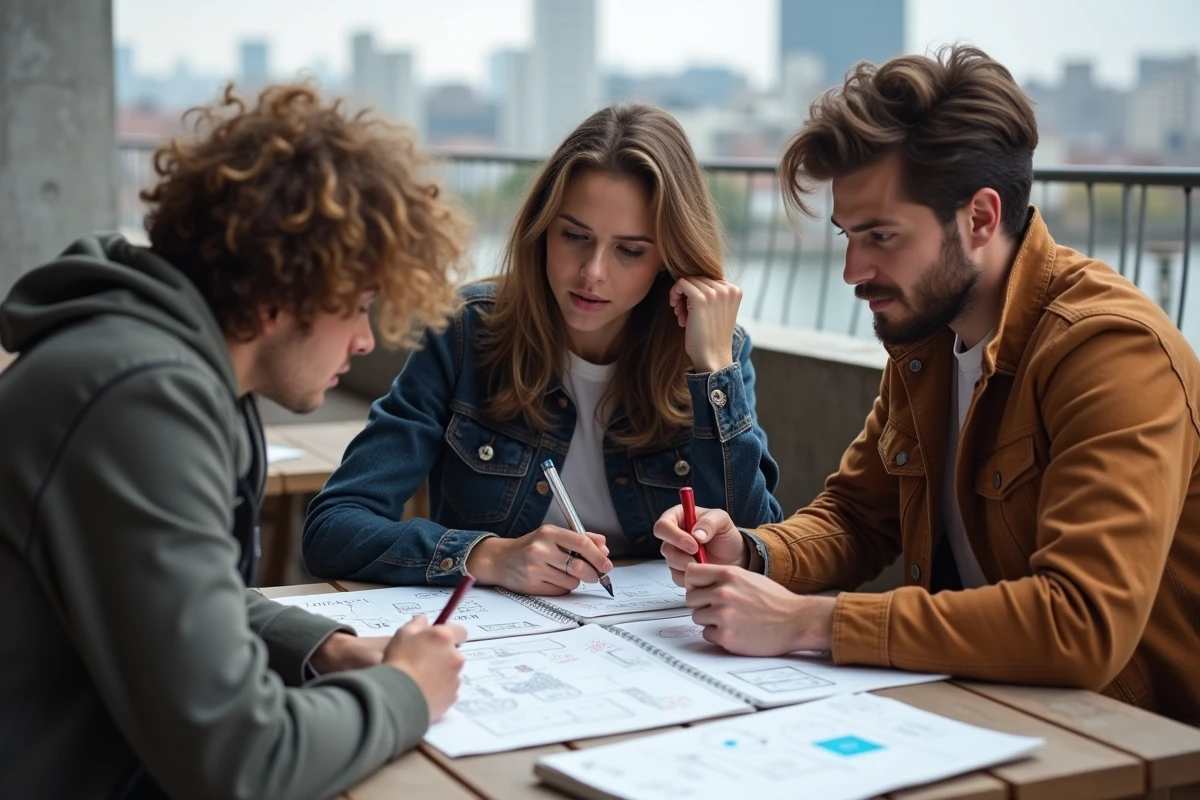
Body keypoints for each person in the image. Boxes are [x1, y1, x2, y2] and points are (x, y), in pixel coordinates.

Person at [654, 45, 1200, 725]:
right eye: (848, 235)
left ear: (980, 219)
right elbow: (858, 517)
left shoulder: (1112, 351)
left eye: (881, 235)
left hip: (1126, 744)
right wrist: (753, 550)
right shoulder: (927, 338)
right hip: (982, 712)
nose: (854, 270)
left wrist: (810, 623)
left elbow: (1080, 623)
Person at [0, 84, 473, 798]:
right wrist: (407, 692)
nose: (366, 340)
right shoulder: (141, 398)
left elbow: (172, 591)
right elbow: (243, 763)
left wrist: (324, 649)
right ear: (279, 294)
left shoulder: (166, 366)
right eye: (359, 306)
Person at [302, 103, 782, 596]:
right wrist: (486, 555)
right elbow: (333, 528)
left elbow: (757, 546)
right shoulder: (465, 332)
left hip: (654, 644)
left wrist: (714, 371)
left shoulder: (717, 354)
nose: (593, 272)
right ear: (542, 228)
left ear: (670, 258)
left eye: (630, 250)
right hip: (497, 643)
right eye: (574, 236)